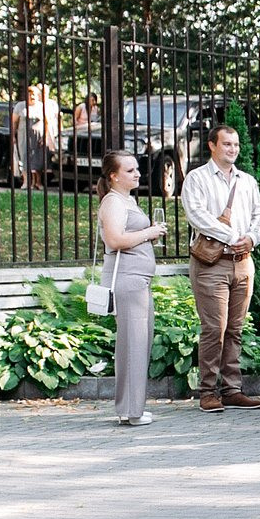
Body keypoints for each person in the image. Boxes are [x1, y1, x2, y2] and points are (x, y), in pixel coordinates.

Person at [181, 123, 260, 412]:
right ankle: (208, 391)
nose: (233, 149)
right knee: (213, 329)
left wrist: (252, 238)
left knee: (235, 328)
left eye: (236, 144)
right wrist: (234, 238)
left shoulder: (247, 181)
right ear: (212, 146)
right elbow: (198, 216)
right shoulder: (197, 179)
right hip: (212, 263)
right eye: (227, 144)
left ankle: (232, 389)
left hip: (243, 263)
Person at [97, 151, 167, 427]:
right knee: (133, 343)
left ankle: (132, 407)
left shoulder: (128, 200)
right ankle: (130, 410)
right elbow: (114, 240)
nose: (137, 174)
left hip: (139, 280)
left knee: (140, 341)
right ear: (114, 176)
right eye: (129, 170)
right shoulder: (113, 202)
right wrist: (149, 233)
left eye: (137, 169)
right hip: (128, 280)